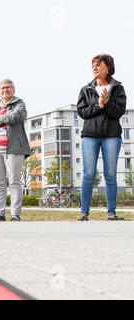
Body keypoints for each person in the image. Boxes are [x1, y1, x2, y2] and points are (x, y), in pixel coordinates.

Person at [77, 54, 126, 221]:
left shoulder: (118, 88)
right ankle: (84, 213)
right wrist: (99, 105)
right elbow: (82, 112)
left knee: (110, 174)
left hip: (112, 136)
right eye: (93, 65)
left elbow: (119, 111)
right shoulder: (85, 89)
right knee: (88, 174)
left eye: (98, 65)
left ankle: (111, 213)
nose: (94, 68)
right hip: (90, 136)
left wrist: (106, 104)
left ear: (108, 68)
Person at [0, 79, 30, 222]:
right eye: (2, 88)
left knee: (15, 181)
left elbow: (16, 117)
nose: (5, 90)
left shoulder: (19, 104)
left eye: (8, 87)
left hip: (14, 149)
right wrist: (5, 117)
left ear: (13, 90)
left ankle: (15, 214)